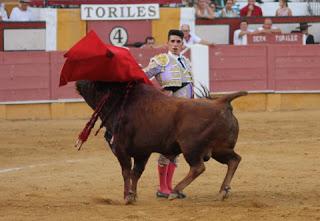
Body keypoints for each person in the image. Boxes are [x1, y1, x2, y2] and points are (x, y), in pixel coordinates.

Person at [143, 29, 194, 199]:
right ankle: (162, 188)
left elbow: (189, 88)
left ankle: (169, 187)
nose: (175, 45)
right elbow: (143, 76)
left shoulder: (186, 61)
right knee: (166, 148)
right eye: (172, 41)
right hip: (167, 112)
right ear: (167, 43)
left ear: (182, 44)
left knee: (176, 149)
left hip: (184, 113)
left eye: (178, 42)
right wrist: (154, 95)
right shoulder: (161, 60)